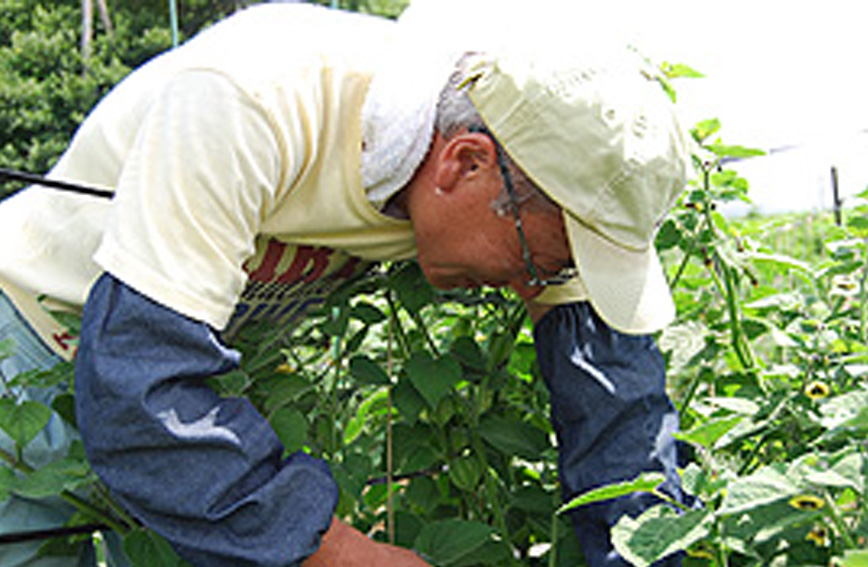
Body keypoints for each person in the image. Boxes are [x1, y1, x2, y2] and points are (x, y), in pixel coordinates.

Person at [0, 2, 690, 566]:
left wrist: (647, 550)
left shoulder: (533, 166)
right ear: (464, 164)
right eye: (540, 264)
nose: (530, 285)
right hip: (29, 335)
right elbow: (139, 391)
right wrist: (332, 550)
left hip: (201, 377)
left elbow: (617, 408)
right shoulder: (253, 99)